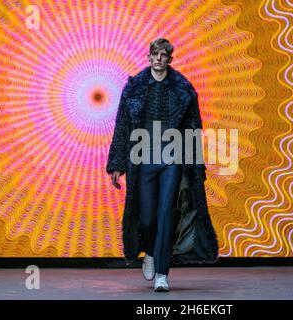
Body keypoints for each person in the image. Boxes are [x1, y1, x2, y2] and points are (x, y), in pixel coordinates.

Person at [106, 38, 219, 292]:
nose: (159, 58)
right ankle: (151, 252)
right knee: (147, 219)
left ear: (170, 59)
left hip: (172, 159)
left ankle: (162, 274)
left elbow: (193, 128)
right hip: (143, 159)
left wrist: (195, 165)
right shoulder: (134, 88)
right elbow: (123, 126)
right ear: (148, 57)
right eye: (155, 54)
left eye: (164, 55)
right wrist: (117, 163)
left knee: (167, 212)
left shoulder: (183, 89)